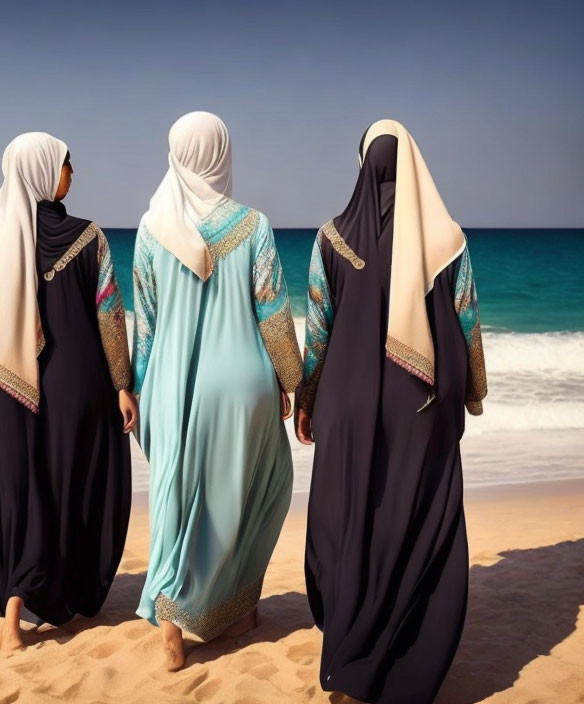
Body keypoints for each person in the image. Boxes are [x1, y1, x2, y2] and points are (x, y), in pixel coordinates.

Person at [295, 119, 487, 703]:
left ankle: (348, 656)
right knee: (416, 523)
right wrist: (473, 389)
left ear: (362, 167)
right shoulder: (447, 239)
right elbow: (467, 321)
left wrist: (306, 396)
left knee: (348, 521)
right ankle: (406, 660)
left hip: (346, 411)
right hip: (421, 409)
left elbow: (320, 331)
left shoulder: (332, 239)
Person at [132, 111, 302, 671]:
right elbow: (274, 314)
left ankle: (175, 624)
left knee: (177, 502)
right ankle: (237, 609)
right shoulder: (253, 225)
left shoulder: (152, 228)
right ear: (222, 154)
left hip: (174, 384)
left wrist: (136, 388)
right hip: (243, 384)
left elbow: (148, 325)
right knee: (254, 491)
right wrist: (294, 382)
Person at [0, 132, 135, 655]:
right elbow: (109, 316)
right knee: (76, 486)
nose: (72, 172)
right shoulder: (89, 238)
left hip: (12, 388)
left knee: (27, 491)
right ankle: (70, 592)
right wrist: (123, 384)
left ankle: (16, 610)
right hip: (77, 386)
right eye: (66, 163)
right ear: (42, 171)